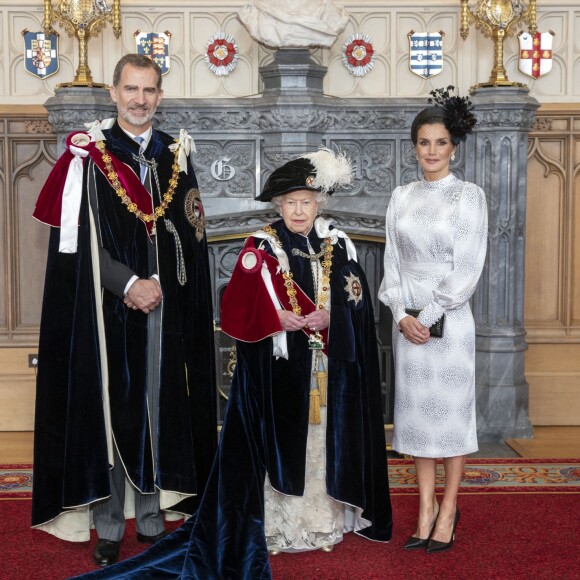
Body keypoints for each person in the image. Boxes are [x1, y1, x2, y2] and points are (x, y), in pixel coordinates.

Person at [74, 148, 393, 579]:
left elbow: (357, 301)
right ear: (279, 206)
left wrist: (333, 316)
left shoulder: (340, 244)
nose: (299, 211)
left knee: (320, 446)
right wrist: (275, 317)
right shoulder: (259, 247)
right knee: (282, 447)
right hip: (276, 372)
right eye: (291, 203)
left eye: (307, 202)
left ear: (320, 203)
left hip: (324, 369)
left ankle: (322, 523)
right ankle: (280, 528)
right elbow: (236, 310)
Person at [31, 53, 217, 567]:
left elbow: (190, 237)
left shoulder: (173, 155)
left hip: (166, 307)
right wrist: (130, 283)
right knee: (115, 409)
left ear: (160, 95)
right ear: (113, 92)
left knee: (160, 407)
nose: (140, 100)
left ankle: (154, 518)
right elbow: (79, 244)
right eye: (131, 90)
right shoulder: (89, 157)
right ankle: (110, 523)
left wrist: (164, 287)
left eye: (149, 91)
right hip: (106, 309)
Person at [379, 87, 487, 554]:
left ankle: (449, 508)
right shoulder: (401, 196)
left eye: (440, 142)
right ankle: (424, 508)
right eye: (424, 142)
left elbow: (468, 266)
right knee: (418, 423)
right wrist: (401, 314)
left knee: (451, 421)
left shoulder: (469, 196)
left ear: (454, 147)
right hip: (410, 327)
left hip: (450, 322)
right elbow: (391, 263)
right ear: (414, 147)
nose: (432, 151)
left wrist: (428, 314)